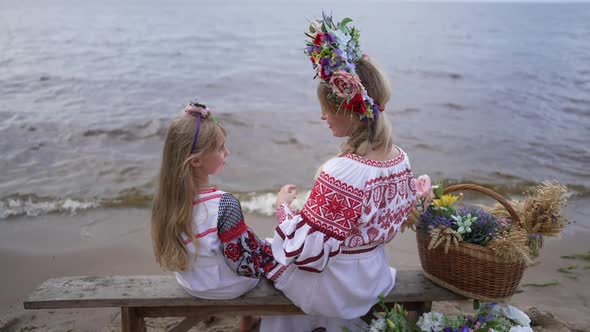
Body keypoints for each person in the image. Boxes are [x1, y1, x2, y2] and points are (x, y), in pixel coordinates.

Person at [260, 14, 417, 332]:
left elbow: (307, 255)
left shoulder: (341, 171)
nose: (322, 117)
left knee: (267, 252)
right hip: (373, 276)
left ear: (349, 110)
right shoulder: (401, 159)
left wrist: (283, 208)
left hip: (338, 287)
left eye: (327, 110)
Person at [151, 100, 276, 331]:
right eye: (220, 148)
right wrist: (274, 254)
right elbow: (242, 264)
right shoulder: (223, 204)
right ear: (196, 160)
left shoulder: (166, 200)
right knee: (269, 253)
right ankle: (251, 318)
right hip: (225, 288)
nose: (227, 152)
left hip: (192, 283)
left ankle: (246, 315)